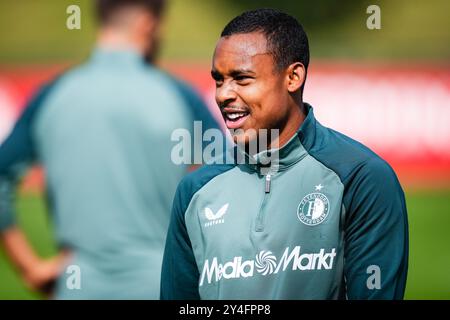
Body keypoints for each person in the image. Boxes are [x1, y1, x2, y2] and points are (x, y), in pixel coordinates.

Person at [160, 8, 409, 300]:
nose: (223, 94)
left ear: (293, 77)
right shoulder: (195, 192)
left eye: (242, 78)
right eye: (219, 79)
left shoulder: (362, 178)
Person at [0, 0, 220, 299]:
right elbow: (227, 180)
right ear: (148, 22)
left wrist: (30, 267)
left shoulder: (53, 95)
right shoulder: (179, 96)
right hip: (160, 285)